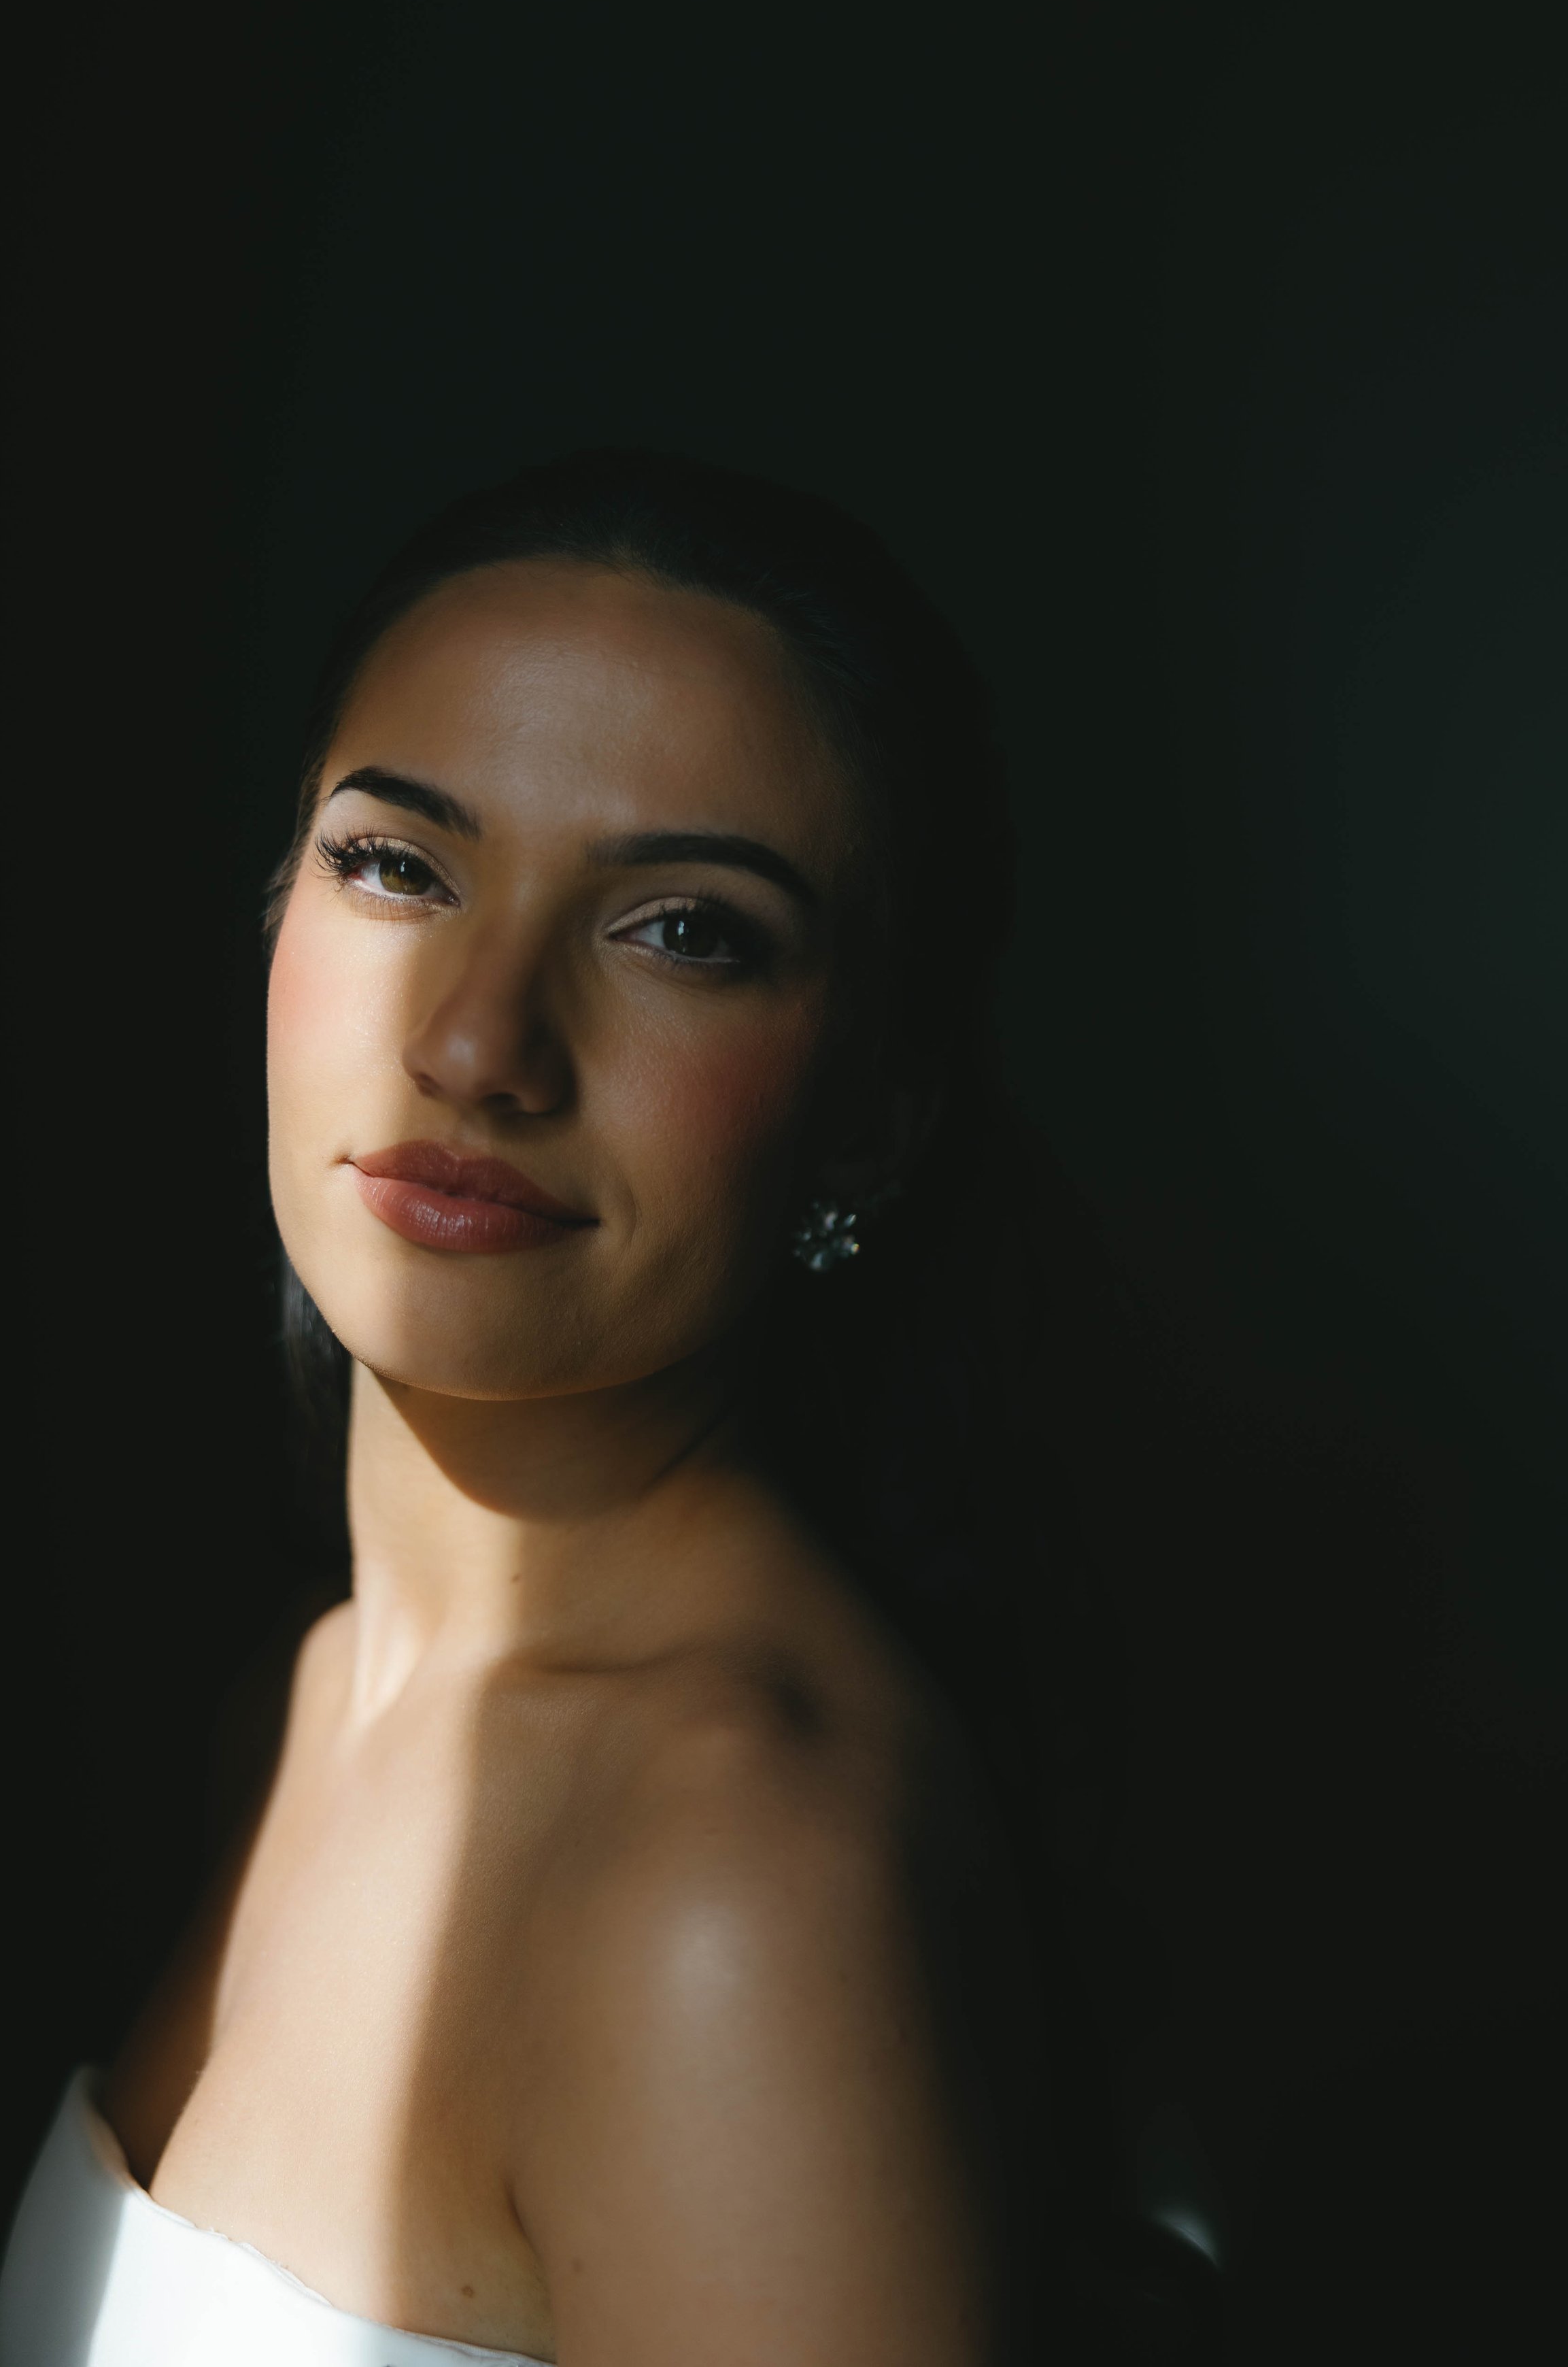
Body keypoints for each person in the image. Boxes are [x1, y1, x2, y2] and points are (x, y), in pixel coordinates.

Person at [0, 450, 1199, 2364]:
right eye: (397, 863)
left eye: (681, 929)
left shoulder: (733, 1887)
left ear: (877, 1116)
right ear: (274, 919)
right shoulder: (305, 1701)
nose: (477, 1043)